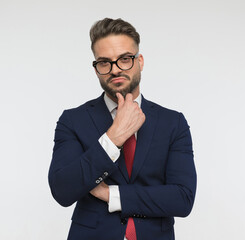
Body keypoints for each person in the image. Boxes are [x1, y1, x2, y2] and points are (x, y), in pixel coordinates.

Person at [48, 18, 197, 240]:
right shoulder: (73, 120)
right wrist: (112, 138)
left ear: (140, 61)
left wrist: (112, 194)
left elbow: (182, 198)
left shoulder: (173, 123)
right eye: (104, 62)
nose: (115, 70)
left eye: (125, 59)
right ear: (96, 68)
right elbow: (63, 190)